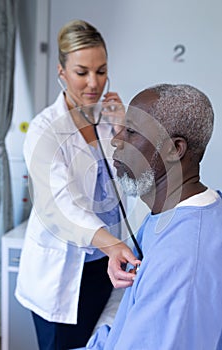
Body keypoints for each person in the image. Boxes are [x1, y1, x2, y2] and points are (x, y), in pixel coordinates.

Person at [15, 19, 140, 350]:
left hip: (105, 269)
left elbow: (134, 185)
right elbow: (59, 205)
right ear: (62, 71)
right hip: (63, 273)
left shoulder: (106, 120)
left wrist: (123, 133)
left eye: (101, 71)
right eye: (82, 72)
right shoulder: (45, 130)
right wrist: (110, 244)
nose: (93, 82)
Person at [86, 83, 222, 350]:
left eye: (132, 132)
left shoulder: (182, 261)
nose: (116, 139)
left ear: (174, 149)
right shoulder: (179, 215)